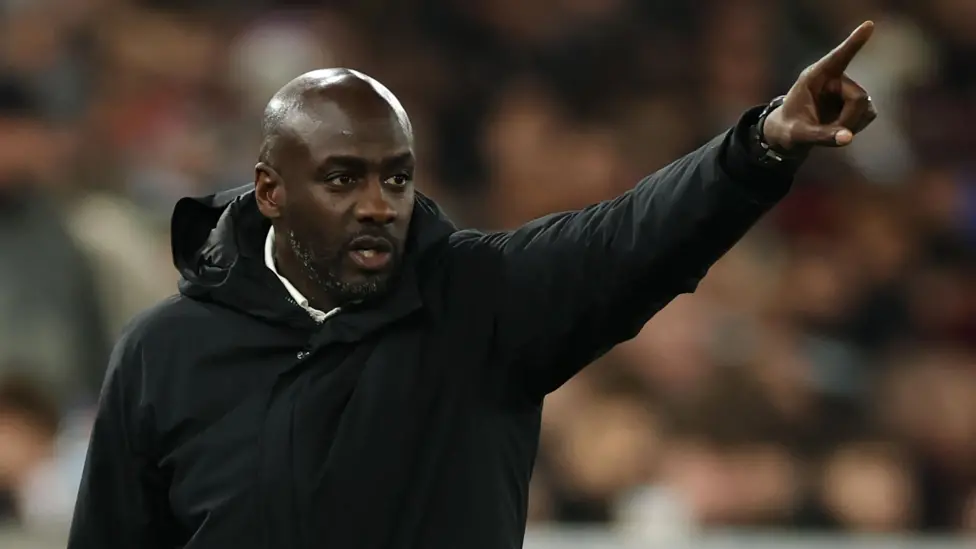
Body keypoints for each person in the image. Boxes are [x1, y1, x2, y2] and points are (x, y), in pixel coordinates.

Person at [67, 22, 879, 549]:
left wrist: (761, 147)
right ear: (271, 192)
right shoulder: (165, 351)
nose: (378, 205)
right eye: (343, 178)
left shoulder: (483, 301)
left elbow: (633, 236)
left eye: (395, 178)